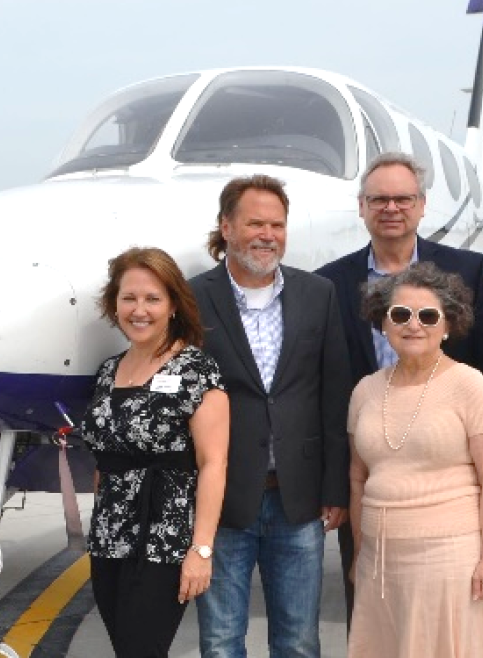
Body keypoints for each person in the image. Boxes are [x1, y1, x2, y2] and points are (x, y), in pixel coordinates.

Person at [315, 152, 483, 620]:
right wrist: (335, 485)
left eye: (403, 198)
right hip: (370, 476)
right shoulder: (328, 284)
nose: (391, 208)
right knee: (371, 608)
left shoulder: (470, 271)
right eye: (379, 199)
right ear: (362, 206)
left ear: (422, 205)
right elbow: (327, 391)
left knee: (449, 615)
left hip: (449, 480)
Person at [190, 174, 353, 658]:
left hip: (297, 501)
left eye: (277, 225)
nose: (268, 235)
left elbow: (334, 396)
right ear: (226, 227)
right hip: (224, 502)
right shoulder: (192, 299)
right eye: (255, 223)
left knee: (298, 641)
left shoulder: (318, 294)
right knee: (221, 642)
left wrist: (335, 488)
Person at [345, 263, 483, 657]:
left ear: (448, 324)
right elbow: (358, 479)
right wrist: (359, 554)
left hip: (449, 561)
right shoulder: (365, 391)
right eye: (400, 314)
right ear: (383, 322)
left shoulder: (470, 385)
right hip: (379, 564)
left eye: (428, 316)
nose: (413, 325)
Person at [77, 246, 231, 658]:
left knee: (142, 649)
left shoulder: (196, 370)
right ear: (114, 305)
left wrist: (201, 550)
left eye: (153, 298)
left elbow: (213, 464)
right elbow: (106, 457)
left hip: (164, 537)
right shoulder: (108, 371)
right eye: (129, 298)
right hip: (109, 537)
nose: (139, 310)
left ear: (173, 305)